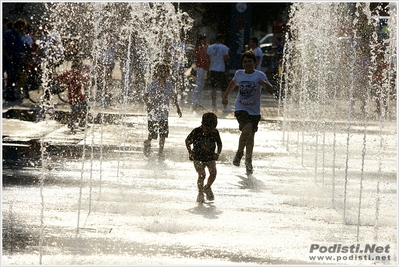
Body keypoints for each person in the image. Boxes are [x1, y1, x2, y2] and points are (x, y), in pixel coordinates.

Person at [221, 50, 273, 175]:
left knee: (251, 137)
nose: (247, 64)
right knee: (247, 130)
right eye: (245, 62)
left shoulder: (260, 75)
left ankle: (248, 161)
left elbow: (271, 91)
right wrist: (225, 96)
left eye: (250, 61)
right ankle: (239, 153)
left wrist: (265, 84)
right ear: (242, 63)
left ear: (254, 62)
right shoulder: (239, 74)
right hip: (241, 108)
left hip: (254, 110)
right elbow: (232, 85)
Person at [143, 62, 182, 161]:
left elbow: (173, 97)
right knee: (153, 132)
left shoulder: (169, 85)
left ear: (168, 73)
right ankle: (148, 142)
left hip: (164, 113)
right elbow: (145, 96)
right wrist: (148, 104)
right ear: (157, 73)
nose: (162, 74)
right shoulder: (153, 84)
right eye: (160, 71)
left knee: (163, 133)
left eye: (165, 72)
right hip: (153, 113)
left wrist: (178, 108)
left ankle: (160, 152)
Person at [185, 112, 222, 203]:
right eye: (207, 129)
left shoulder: (215, 132)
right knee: (202, 175)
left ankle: (207, 187)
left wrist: (217, 153)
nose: (209, 131)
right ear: (202, 124)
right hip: (197, 157)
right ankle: (200, 192)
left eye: (211, 129)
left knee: (213, 173)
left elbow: (219, 144)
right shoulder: (196, 131)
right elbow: (187, 141)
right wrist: (190, 153)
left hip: (210, 157)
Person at [56, 59, 91, 133]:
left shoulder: (70, 73)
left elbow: (59, 78)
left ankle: (79, 122)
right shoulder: (77, 74)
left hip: (76, 96)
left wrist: (62, 83)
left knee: (80, 109)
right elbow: (87, 79)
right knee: (78, 110)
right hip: (76, 96)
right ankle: (75, 122)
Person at [3, 18, 26, 101]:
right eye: (22, 27)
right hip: (10, 58)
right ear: (19, 27)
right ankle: (9, 95)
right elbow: (4, 46)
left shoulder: (17, 34)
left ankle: (11, 93)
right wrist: (7, 56)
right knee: (11, 76)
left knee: (15, 76)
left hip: (17, 58)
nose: (23, 29)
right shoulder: (9, 33)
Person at [207, 33, 230, 111]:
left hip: (212, 69)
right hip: (221, 70)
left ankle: (214, 106)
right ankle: (224, 106)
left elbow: (208, 59)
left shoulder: (210, 47)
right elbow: (226, 59)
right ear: (221, 40)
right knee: (223, 89)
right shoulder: (224, 47)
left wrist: (208, 70)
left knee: (213, 89)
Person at [192, 34, 208, 111]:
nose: (206, 42)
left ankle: (197, 101)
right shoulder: (199, 48)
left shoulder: (202, 48)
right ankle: (195, 102)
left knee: (201, 84)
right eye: (204, 40)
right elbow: (202, 57)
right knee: (199, 84)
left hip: (202, 67)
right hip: (200, 67)